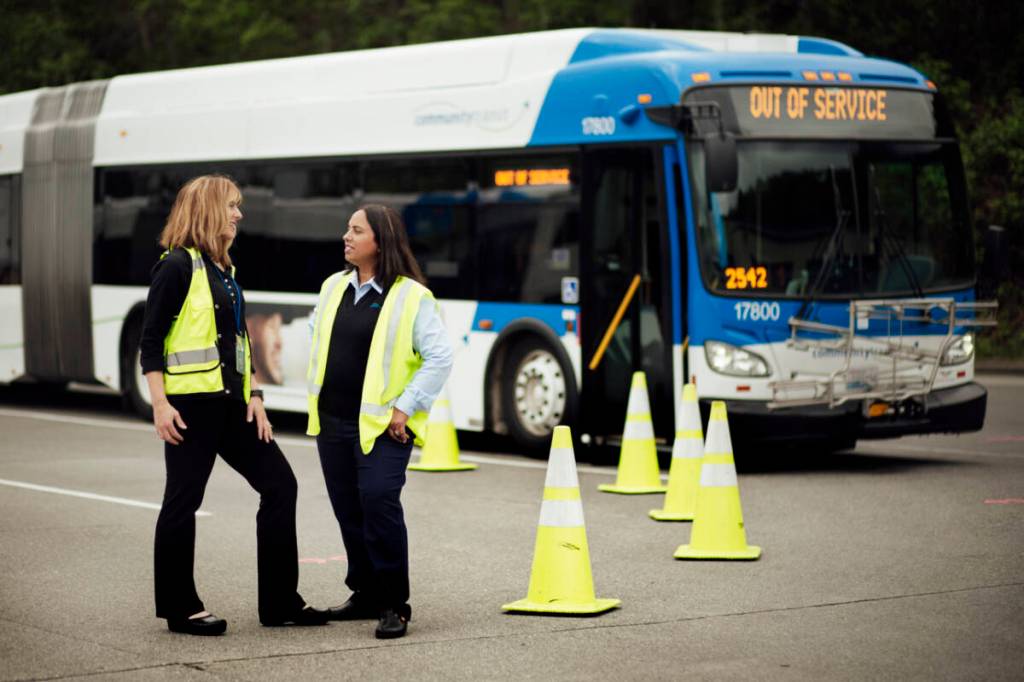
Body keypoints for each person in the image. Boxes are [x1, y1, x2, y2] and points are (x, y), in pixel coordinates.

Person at [141, 174, 328, 635]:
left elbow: (240, 342)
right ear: (207, 210)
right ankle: (180, 608)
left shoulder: (224, 270)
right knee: (183, 501)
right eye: (231, 206)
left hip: (235, 407)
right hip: (191, 408)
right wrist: (160, 406)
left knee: (281, 486)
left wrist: (258, 395)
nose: (239, 214)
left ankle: (281, 602)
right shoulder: (176, 268)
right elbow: (150, 342)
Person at [307, 204, 453, 639]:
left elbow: (439, 357)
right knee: (348, 511)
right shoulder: (333, 286)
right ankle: (366, 593)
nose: (346, 237)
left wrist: (405, 407)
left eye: (356, 230)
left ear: (380, 240)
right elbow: (318, 340)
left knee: (378, 503)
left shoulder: (411, 296)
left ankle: (394, 603)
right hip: (332, 421)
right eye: (347, 229)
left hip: (383, 426)